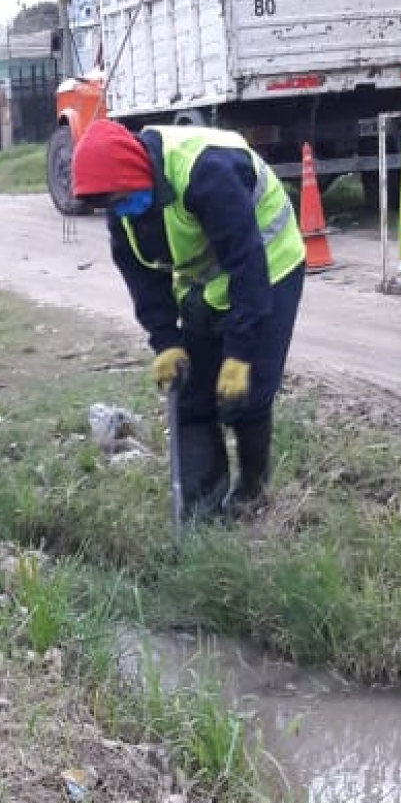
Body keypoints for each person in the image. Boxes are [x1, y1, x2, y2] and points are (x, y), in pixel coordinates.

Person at [71, 118, 305, 522]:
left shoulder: (206, 174)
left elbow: (248, 267)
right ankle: (202, 510)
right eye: (110, 204)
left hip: (269, 263)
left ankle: (251, 493)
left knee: (244, 395)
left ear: (138, 174)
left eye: (122, 198)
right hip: (207, 282)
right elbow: (144, 279)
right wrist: (165, 341)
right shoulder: (122, 208)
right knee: (194, 397)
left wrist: (239, 353)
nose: (117, 210)